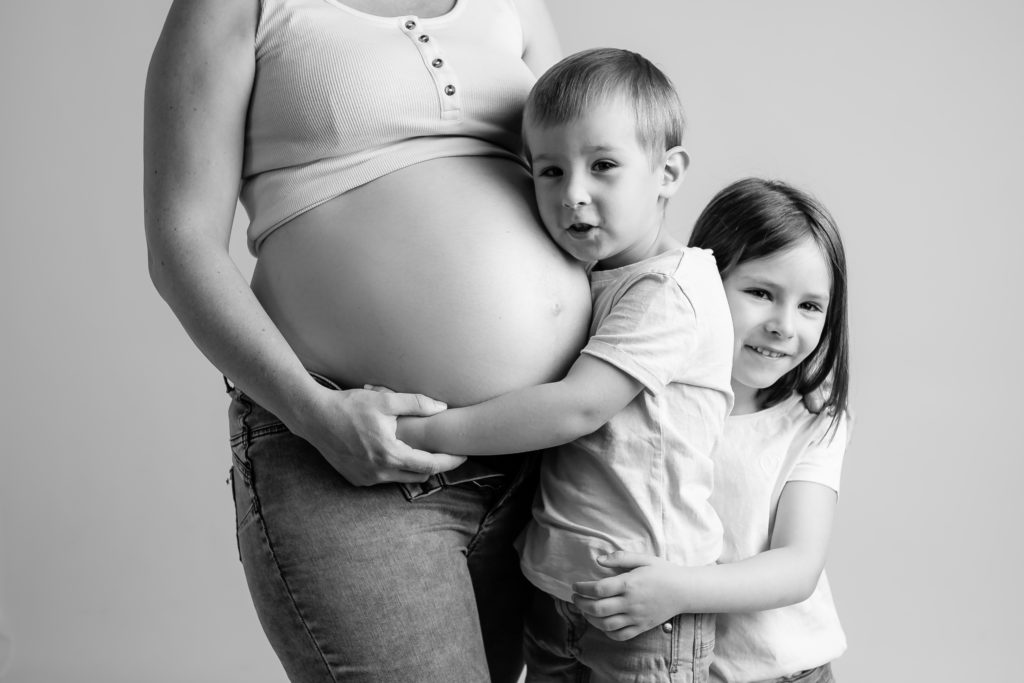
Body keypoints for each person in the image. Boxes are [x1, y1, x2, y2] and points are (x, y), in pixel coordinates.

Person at [142, 0, 594, 681]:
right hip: (354, 458)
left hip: (545, 460)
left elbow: (602, 177)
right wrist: (313, 414)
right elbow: (182, 243)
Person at [392, 48, 735, 682]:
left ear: (668, 172)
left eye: (603, 165)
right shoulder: (600, 278)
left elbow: (575, 408)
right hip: (559, 592)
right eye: (549, 171)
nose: (572, 193)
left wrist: (424, 433)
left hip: (641, 603)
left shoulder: (670, 290)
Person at [571, 177, 852, 683]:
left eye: (810, 306)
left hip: (783, 671)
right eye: (761, 293)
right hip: (663, 659)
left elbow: (798, 564)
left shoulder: (812, 418)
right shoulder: (648, 392)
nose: (784, 326)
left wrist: (679, 589)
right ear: (707, 280)